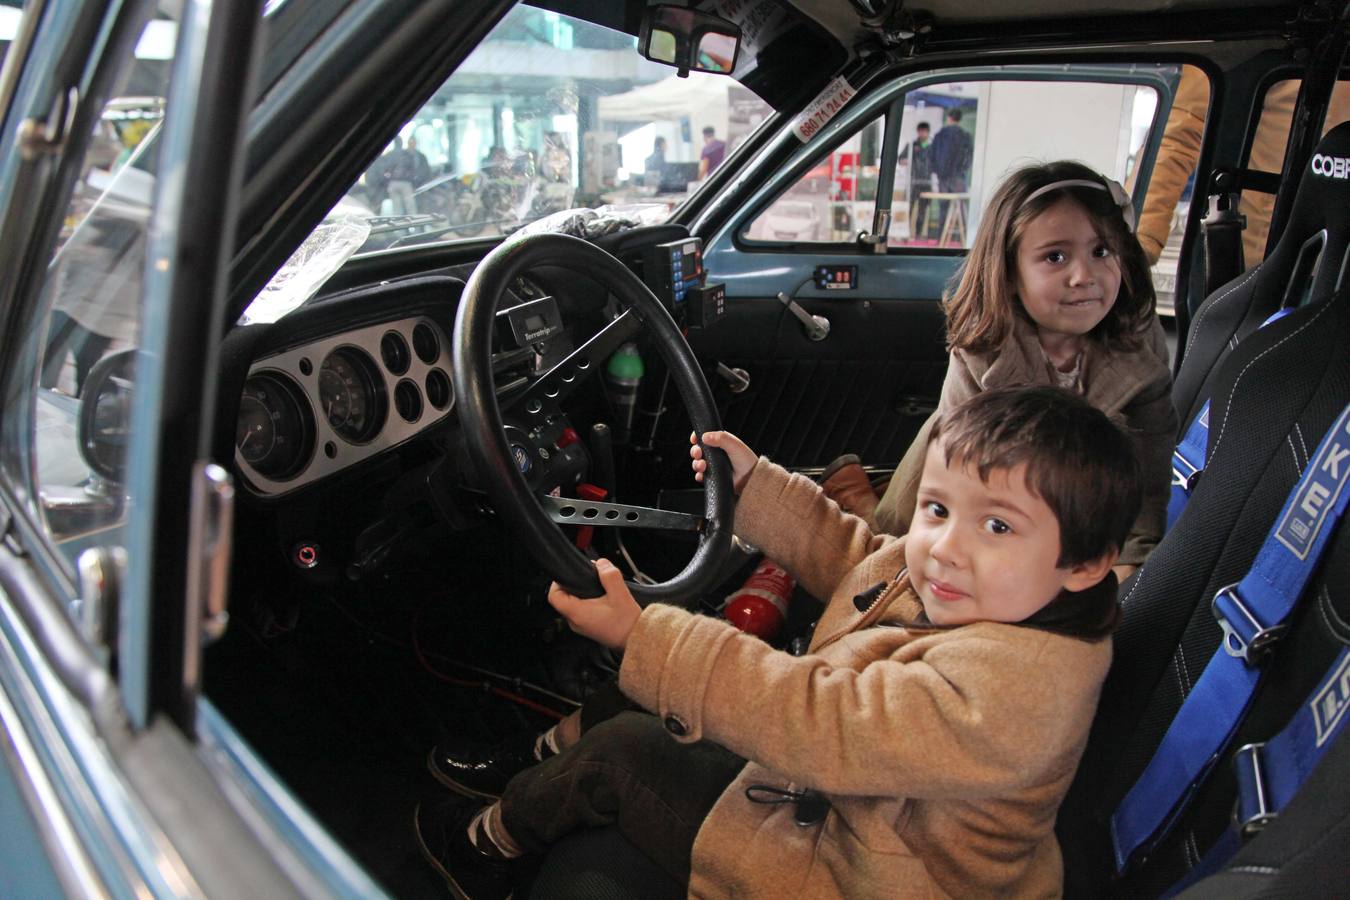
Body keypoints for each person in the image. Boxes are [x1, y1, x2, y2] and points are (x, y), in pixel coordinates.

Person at [413, 385, 1140, 898]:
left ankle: (482, 847)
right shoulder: (996, 590)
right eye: (938, 507)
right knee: (632, 686)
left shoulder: (1018, 694)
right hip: (847, 812)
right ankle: (535, 763)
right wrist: (756, 486)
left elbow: (825, 723)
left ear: (1084, 563)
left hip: (859, 875)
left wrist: (643, 633)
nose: (945, 548)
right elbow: (859, 560)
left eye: (999, 526)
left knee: (621, 753)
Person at [830, 161, 1174, 582]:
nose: (1084, 276)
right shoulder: (983, 350)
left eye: (1101, 251)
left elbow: (1148, 479)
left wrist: (1127, 567)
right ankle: (864, 509)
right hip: (970, 477)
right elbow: (958, 480)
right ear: (1010, 274)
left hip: (1073, 498)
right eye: (1055, 257)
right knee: (889, 548)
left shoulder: (1139, 347)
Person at [930, 108, 973, 242]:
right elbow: (969, 157)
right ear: (959, 119)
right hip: (958, 178)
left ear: (948, 118)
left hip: (943, 177)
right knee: (960, 209)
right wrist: (961, 170)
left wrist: (938, 172)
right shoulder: (965, 136)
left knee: (944, 208)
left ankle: (940, 239)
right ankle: (963, 240)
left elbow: (931, 156)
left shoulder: (939, 135)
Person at [900, 121, 934, 239]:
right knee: (909, 208)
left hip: (926, 183)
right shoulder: (912, 145)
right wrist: (906, 161)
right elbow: (901, 159)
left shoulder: (932, 146)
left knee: (922, 211)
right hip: (913, 182)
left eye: (924, 131)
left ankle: (919, 234)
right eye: (920, 131)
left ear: (928, 132)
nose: (922, 133)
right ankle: (907, 233)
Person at [382, 136, 418, 215]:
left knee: (396, 208)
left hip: (393, 183)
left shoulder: (389, 155)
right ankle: (415, 225)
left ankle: (398, 226)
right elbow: (413, 169)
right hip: (406, 183)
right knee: (410, 207)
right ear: (402, 143)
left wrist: (388, 180)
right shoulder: (407, 154)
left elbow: (384, 170)